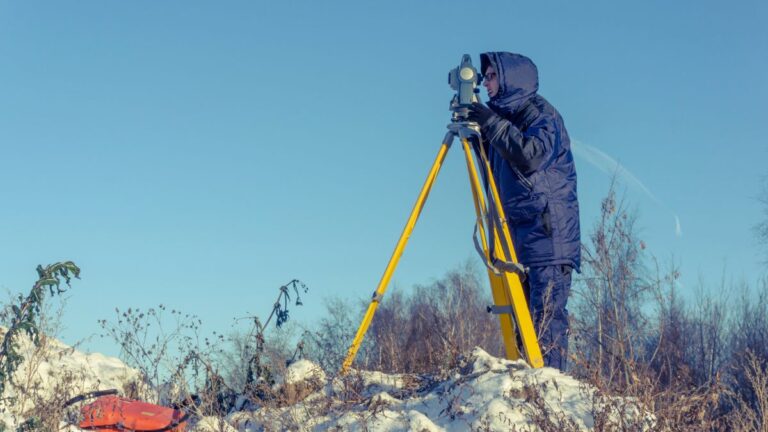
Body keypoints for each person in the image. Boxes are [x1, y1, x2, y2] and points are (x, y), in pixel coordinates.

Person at [466, 52, 580, 371]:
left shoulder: (542, 116)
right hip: (521, 237)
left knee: (546, 324)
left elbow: (529, 156)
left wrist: (490, 122)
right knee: (524, 325)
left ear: (509, 78)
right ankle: (530, 402)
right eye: (484, 77)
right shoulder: (508, 122)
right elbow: (496, 164)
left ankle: (554, 404)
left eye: (490, 76)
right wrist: (478, 135)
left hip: (548, 236)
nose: (485, 83)